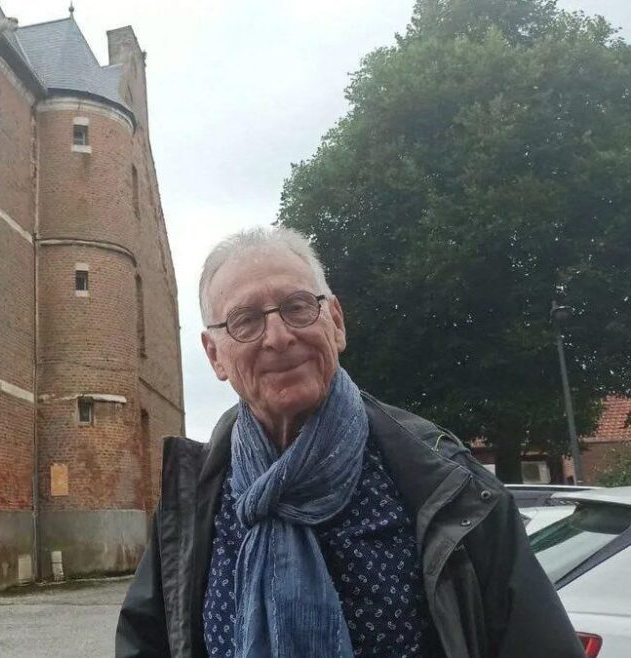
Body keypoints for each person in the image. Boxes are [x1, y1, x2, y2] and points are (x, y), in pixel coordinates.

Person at [116, 228, 583, 658]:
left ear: (335, 322)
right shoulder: (195, 495)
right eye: (245, 320)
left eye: (298, 307)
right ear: (215, 354)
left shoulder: (444, 481)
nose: (278, 337)